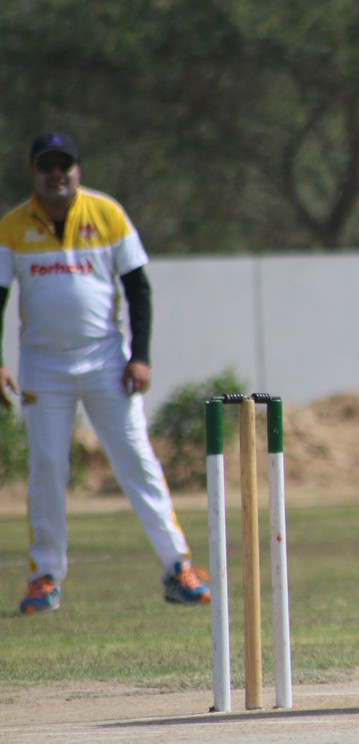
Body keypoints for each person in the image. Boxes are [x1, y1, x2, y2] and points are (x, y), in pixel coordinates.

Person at [0, 132, 210, 614]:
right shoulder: (11, 227)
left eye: (65, 165)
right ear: (34, 172)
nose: (56, 174)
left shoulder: (108, 214)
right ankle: (44, 577)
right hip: (43, 365)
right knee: (48, 468)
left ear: (78, 169)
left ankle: (178, 567)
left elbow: (139, 289)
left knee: (136, 460)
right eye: (47, 166)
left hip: (105, 360)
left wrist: (141, 356)